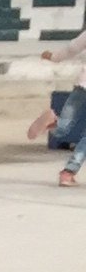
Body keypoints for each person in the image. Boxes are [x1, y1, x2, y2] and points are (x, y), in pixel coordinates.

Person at [24, 37, 86, 186]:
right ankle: (69, 171)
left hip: (82, 84)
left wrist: (53, 57)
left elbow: (72, 48)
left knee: (64, 125)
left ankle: (53, 122)